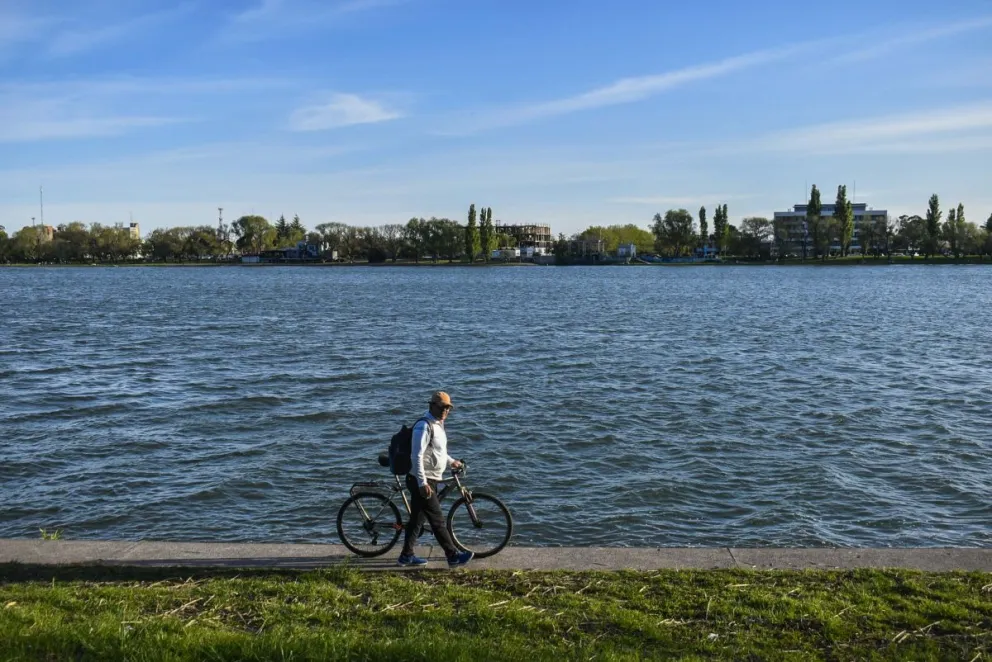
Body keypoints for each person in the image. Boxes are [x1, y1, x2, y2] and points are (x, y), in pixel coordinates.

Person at [397, 391, 474, 567]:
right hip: (422, 480)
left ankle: (406, 556)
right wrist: (422, 483)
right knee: (437, 520)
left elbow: (438, 452)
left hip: (430, 478)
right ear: (431, 406)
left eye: (448, 408)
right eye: (442, 407)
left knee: (417, 520)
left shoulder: (438, 425)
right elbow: (416, 456)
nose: (445, 411)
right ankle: (453, 556)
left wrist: (451, 461)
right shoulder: (423, 427)